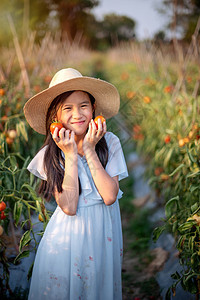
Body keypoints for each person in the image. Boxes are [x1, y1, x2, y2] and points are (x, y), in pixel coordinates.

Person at [23, 68, 128, 300]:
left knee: (98, 288)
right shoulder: (51, 153)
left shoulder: (109, 142)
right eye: (67, 108)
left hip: (103, 235)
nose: (77, 114)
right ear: (56, 117)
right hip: (67, 240)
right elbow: (69, 207)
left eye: (83, 105)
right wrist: (70, 155)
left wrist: (89, 149)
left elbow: (110, 195)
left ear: (93, 109)